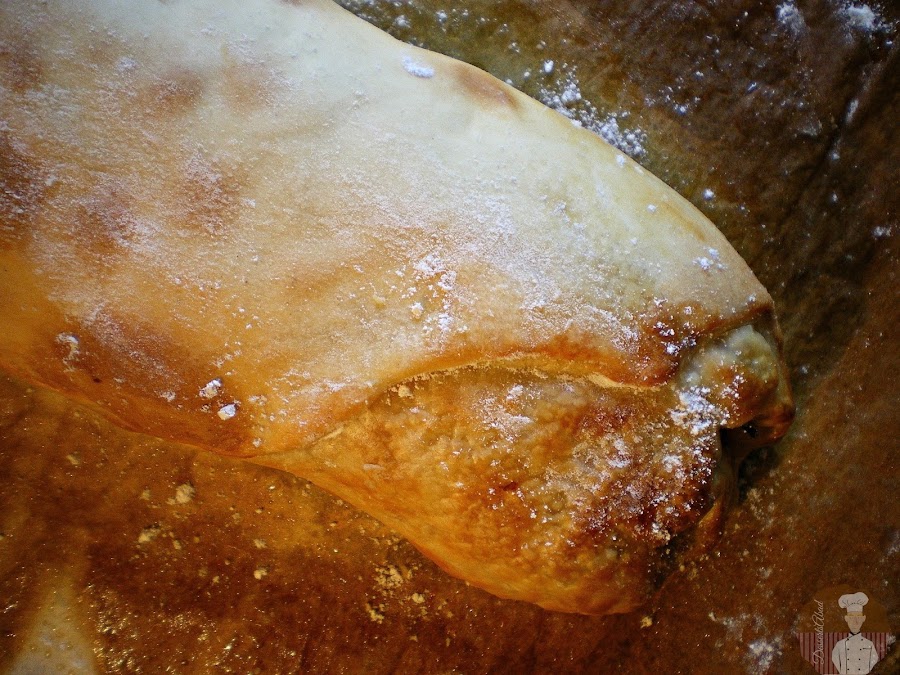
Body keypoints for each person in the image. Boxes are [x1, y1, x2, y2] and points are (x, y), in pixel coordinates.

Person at [832, 592, 879, 674]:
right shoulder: (839, 646)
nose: (855, 621)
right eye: (851, 617)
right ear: (846, 618)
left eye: (858, 617)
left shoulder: (869, 645)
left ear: (863, 618)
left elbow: (873, 662)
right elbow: (836, 661)